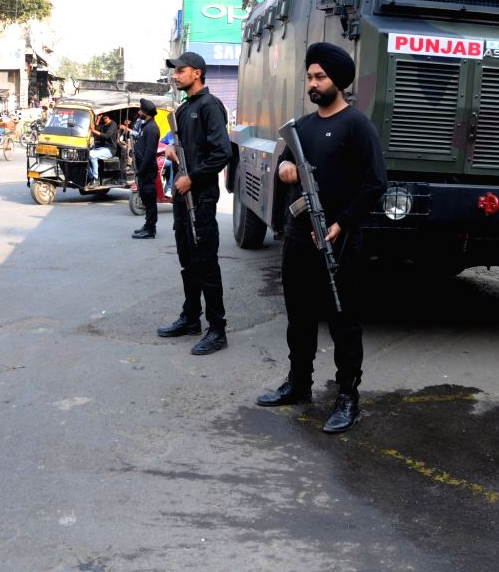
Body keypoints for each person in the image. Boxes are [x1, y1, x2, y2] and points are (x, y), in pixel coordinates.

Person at [255, 43, 388, 433]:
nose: (312, 84)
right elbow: (284, 161)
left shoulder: (357, 125)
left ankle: (348, 396)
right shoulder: (303, 127)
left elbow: (376, 183)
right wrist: (284, 169)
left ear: (338, 81)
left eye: (320, 77)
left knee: (344, 322)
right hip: (300, 236)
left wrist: (341, 224)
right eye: (309, 77)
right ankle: (299, 384)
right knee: (298, 316)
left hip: (339, 241)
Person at [157, 51, 232, 355]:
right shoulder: (187, 107)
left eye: (180, 70)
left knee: (206, 263)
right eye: (174, 71)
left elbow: (222, 152)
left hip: (199, 198)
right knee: (188, 261)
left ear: (197, 73)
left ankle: (217, 330)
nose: (175, 75)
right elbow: (186, 146)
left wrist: (194, 178)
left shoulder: (210, 106)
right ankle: (191, 318)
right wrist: (175, 150)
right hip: (182, 196)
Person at [132, 98, 161, 239]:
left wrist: (141, 170)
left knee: (150, 200)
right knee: (146, 198)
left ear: (146, 113)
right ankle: (148, 225)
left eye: (140, 110)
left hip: (147, 170)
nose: (138, 112)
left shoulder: (152, 129)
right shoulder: (146, 125)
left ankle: (150, 230)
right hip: (144, 170)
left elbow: (150, 153)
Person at [87, 112, 117, 185]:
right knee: (85, 155)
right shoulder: (103, 124)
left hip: (110, 149)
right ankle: (90, 177)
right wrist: (98, 119)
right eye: (102, 117)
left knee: (92, 155)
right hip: (101, 147)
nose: (103, 119)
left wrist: (93, 130)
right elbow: (97, 128)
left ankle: (95, 178)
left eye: (104, 117)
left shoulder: (113, 124)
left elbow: (107, 136)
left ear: (108, 116)